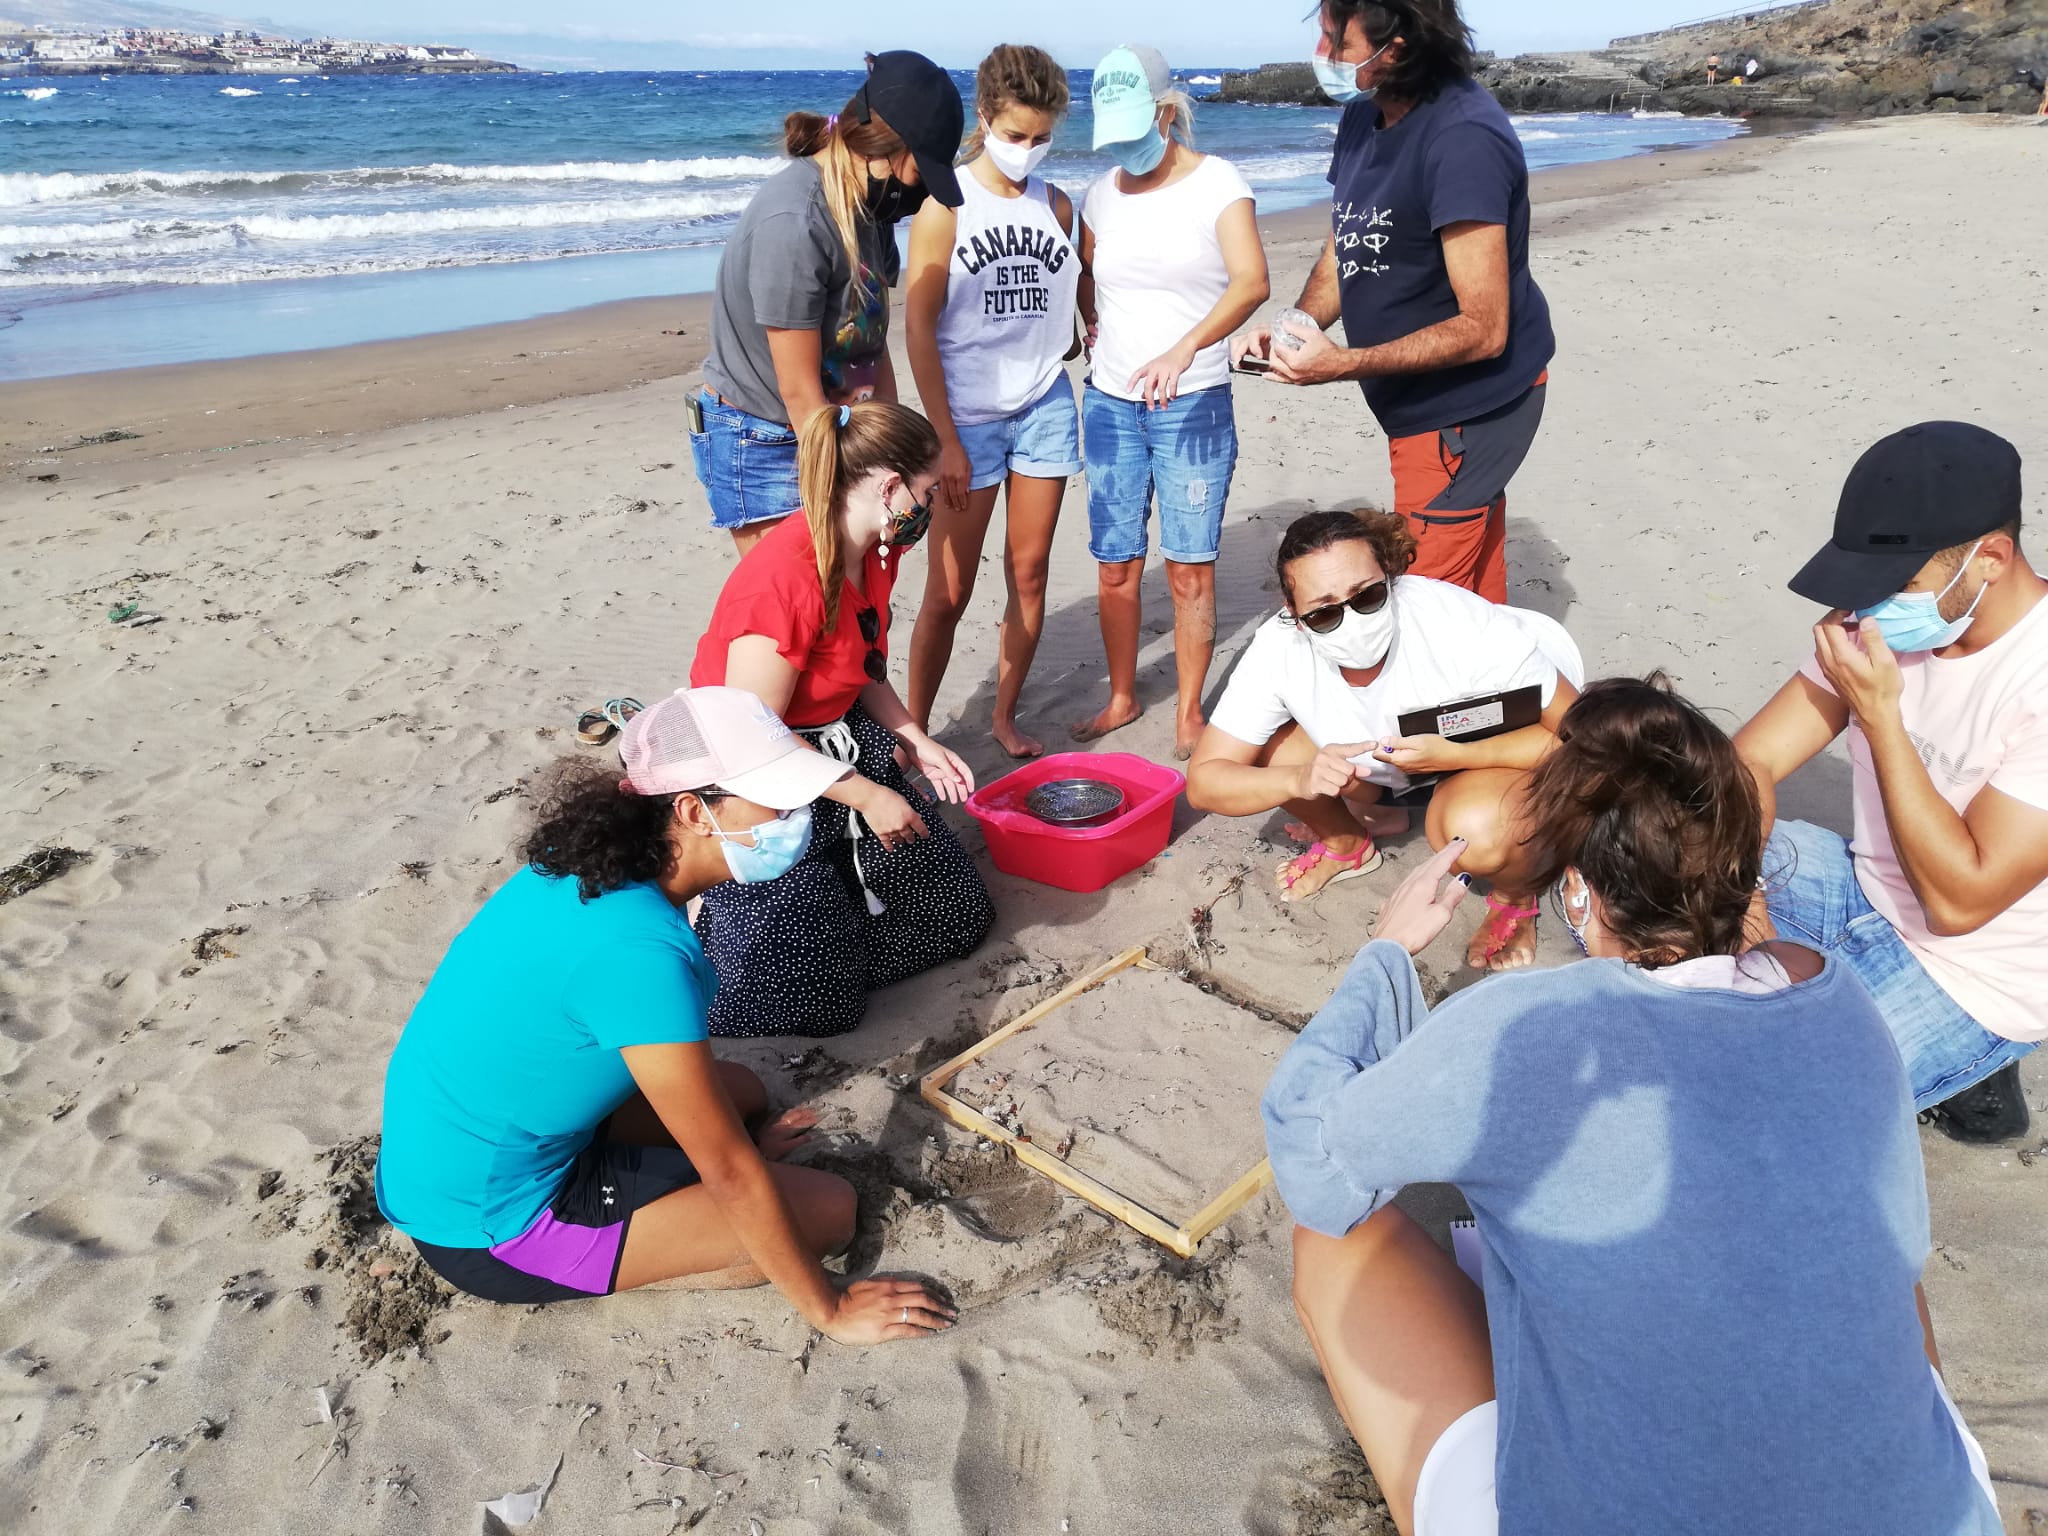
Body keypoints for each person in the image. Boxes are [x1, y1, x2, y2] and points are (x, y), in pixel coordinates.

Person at [1265, 676, 2002, 1536]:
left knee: (1335, 1236)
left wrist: (1386, 953)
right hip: (1937, 1514)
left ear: (1577, 889)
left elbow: (1313, 1157)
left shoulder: (1525, 1025)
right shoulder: (1838, 1000)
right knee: (1873, 1261)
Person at [374, 685, 955, 1342]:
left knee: (743, 1092)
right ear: (692, 810)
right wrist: (832, 1308)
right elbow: (730, 1169)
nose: (798, 812)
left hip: (458, 1152)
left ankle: (663, 1208)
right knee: (828, 1213)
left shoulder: (584, 868)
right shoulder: (642, 955)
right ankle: (619, 1260)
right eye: (777, 795)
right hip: (488, 1226)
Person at [1737, 421, 2048, 1143]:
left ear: (1991, 559)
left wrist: (1880, 717)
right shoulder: (1878, 622)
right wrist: (1745, 917)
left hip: (1974, 972)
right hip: (1861, 885)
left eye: (1897, 584)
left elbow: (1959, 901)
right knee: (1645, 832)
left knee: (1761, 1113)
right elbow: (1742, 767)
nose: (1868, 608)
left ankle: (1975, 1066)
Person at [1231, 0, 1555, 604]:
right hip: (1423, 413)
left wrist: (1343, 363)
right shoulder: (1365, 113)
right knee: (1476, 604)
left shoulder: (1462, 139)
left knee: (1431, 605)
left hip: (1466, 412)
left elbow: (1485, 328)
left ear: (1396, 48)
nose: (1322, 55)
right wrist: (1296, 327)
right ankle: (1507, 693)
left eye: (1337, 42)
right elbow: (1349, 239)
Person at [690, 400, 995, 1036]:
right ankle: (735, 921)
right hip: (762, 783)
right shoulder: (780, 585)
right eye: (928, 490)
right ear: (890, 489)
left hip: (840, 747)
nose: (932, 504)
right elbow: (751, 743)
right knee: (825, 1006)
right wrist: (867, 794)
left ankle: (838, 930)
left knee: (960, 917)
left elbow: (863, 664)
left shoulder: (877, 550)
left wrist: (914, 735)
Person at [1185, 509, 1581, 970]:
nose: (1350, 620)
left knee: (1475, 831)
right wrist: (1301, 778)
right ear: (1293, 615)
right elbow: (1206, 781)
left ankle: (1516, 896)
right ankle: (1350, 841)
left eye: (1368, 595)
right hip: (1382, 760)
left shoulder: (1453, 622)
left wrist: (1456, 753)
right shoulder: (1277, 648)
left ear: (1392, 576)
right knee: (1271, 749)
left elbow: (1584, 738)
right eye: (1324, 613)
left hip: (1500, 739)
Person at [1073, 44, 1271, 759]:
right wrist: (1087, 328)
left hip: (1192, 404)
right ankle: (1123, 697)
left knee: (1189, 564)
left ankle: (1189, 712)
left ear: (1165, 112)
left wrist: (1184, 349)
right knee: (1116, 561)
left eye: (1136, 127)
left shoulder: (1218, 182)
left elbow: (1251, 281)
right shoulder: (1098, 195)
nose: (1126, 147)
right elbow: (1087, 274)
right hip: (1110, 404)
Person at [693, 52, 964, 555]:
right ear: (883, 150)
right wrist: (853, 489)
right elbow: (798, 393)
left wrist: (894, 462)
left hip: (839, 430)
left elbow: (871, 344)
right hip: (767, 438)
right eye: (919, 173)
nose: (921, 192)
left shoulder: (870, 210)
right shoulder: (796, 221)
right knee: (801, 609)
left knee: (855, 606)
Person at [903, 44, 1082, 760]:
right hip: (965, 419)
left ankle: (1004, 719)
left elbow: (1071, 314)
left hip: (1044, 409)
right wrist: (943, 436)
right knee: (947, 593)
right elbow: (917, 327)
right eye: (1015, 135)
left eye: (1042, 138)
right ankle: (913, 732)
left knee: (1030, 574)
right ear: (984, 118)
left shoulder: (1059, 206)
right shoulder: (944, 206)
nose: (1028, 150)